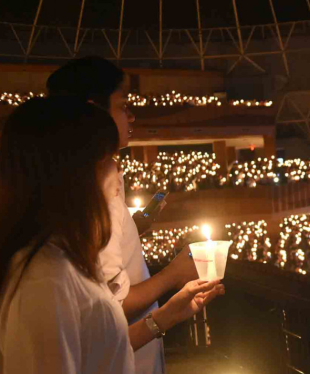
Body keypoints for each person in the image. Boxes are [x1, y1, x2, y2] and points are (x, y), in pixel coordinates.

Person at [0, 97, 219, 373]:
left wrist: (167, 316)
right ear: (75, 174)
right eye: (110, 158)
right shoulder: (46, 279)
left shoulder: (68, 261)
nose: (119, 169)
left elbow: (98, 350)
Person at [46, 56, 223, 374]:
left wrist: (133, 227)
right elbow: (110, 304)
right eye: (122, 105)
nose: (131, 115)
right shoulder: (91, 187)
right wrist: (174, 275)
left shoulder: (85, 179)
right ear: (94, 112)